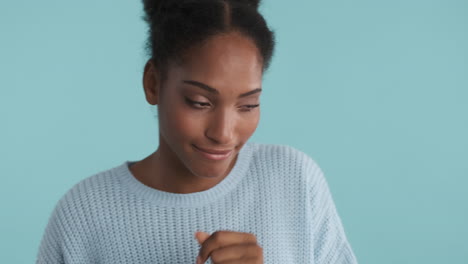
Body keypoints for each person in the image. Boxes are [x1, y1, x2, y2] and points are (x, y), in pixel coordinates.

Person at [36, 0, 358, 263]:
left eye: (247, 105)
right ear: (153, 83)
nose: (224, 134)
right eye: (200, 102)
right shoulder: (83, 215)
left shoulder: (295, 182)